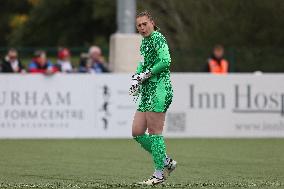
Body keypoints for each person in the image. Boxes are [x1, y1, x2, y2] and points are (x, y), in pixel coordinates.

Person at [129, 11, 177, 186]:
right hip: (148, 90)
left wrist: (145, 75)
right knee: (137, 132)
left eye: (144, 24)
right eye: (139, 26)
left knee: (155, 132)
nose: (142, 28)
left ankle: (159, 174)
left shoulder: (158, 38)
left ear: (152, 23)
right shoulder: (145, 42)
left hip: (159, 89)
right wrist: (136, 78)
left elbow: (166, 61)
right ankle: (166, 161)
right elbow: (142, 63)